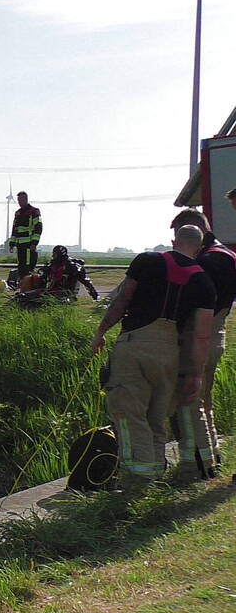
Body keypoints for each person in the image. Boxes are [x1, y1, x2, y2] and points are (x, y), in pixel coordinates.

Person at [92, 225, 215, 490]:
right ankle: (155, 474)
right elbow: (202, 336)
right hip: (170, 351)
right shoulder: (204, 281)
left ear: (174, 241)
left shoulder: (147, 261)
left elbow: (122, 300)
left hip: (134, 344)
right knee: (155, 416)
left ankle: (136, 481)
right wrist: (195, 374)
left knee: (127, 412)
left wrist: (101, 331)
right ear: (200, 247)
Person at [169, 209, 236, 471]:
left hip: (200, 336)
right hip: (216, 333)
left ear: (196, 231)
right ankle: (212, 456)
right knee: (204, 401)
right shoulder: (227, 255)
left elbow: (198, 304)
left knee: (189, 400)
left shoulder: (209, 262)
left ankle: (196, 464)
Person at [9, 191, 43, 278]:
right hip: (19, 245)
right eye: (18, 200)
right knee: (21, 266)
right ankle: (22, 286)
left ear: (26, 199)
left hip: (29, 245)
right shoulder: (18, 213)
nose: (19, 202)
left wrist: (34, 243)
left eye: (21, 200)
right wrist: (12, 244)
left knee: (28, 267)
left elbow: (38, 227)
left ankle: (29, 288)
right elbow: (14, 229)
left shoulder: (34, 211)